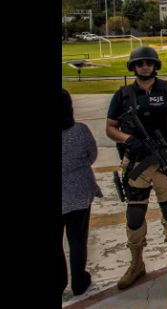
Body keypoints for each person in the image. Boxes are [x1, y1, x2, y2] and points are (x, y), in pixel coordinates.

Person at [106, 46, 167, 290]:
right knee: (135, 215)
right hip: (136, 164)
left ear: (156, 66)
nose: (145, 66)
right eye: (140, 63)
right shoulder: (122, 95)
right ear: (133, 67)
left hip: (164, 163)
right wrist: (127, 139)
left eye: (149, 63)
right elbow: (110, 127)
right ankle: (136, 263)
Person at [62, 89, 103, 296]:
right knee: (77, 240)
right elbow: (92, 155)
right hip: (78, 194)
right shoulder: (80, 131)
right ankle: (79, 281)